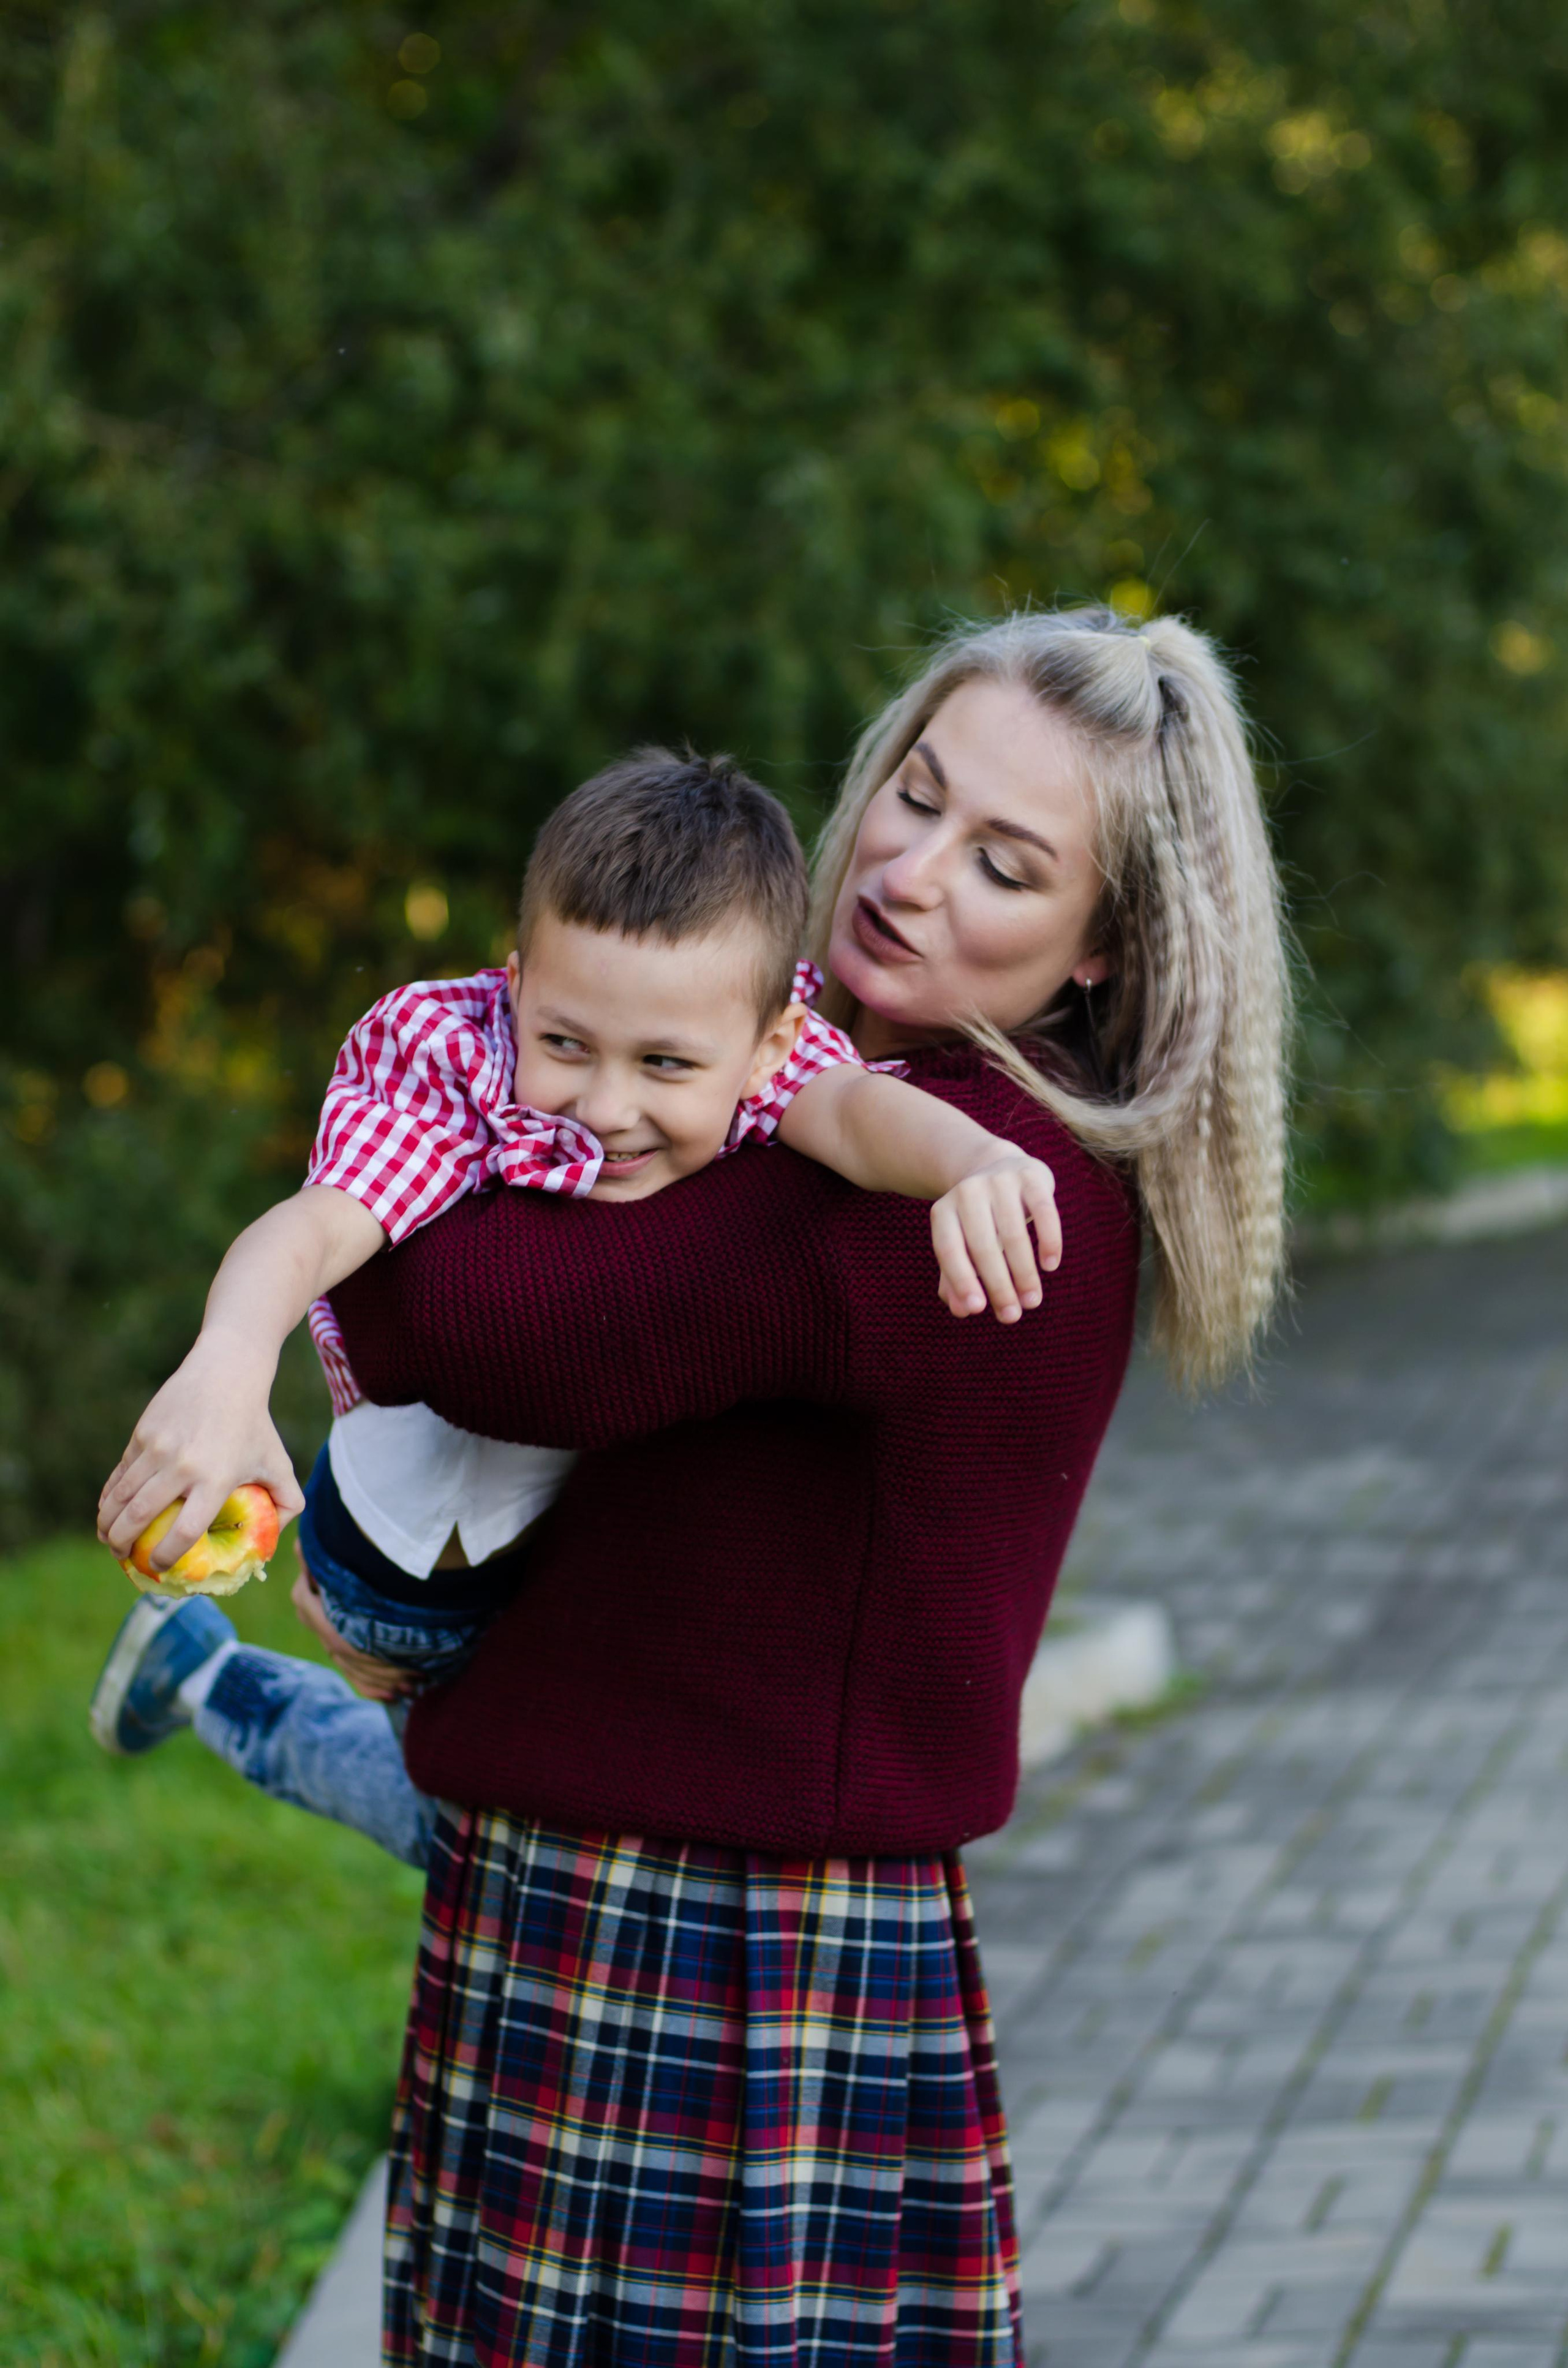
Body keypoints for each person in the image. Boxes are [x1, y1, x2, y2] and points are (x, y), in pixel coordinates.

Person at [290, 605, 1290, 2365]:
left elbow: (496, 1324)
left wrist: (379, 1177)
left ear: (1097, 956)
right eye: (915, 796)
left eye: (1003, 862)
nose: (910, 872)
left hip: (716, 1942)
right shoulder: (856, 1105)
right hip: (661, 1897)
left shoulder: (950, 1190)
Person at [91, 751, 1063, 1866]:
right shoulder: (456, 1058)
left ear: (771, 1045)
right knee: (459, 1824)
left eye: (663, 1064)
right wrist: (226, 1362)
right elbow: (312, 1226)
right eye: (564, 1044)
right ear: (515, 989)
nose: (607, 1108)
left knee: (465, 1819)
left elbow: (857, 1119)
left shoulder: (773, 1060)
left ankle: (197, 1671)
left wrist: (981, 1160)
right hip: (412, 1560)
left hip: (566, 1520)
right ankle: (217, 1681)